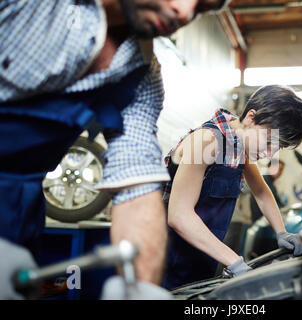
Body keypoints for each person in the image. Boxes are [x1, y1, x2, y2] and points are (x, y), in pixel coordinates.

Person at [0, 0, 230, 298]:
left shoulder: (140, 75)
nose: (185, 12)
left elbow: (136, 187)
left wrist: (139, 288)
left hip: (15, 214)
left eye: (201, 9)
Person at [162, 85, 302, 289]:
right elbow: (179, 216)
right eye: (267, 142)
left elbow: (261, 191)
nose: (268, 154)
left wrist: (281, 232)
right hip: (164, 260)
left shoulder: (239, 146)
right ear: (250, 117)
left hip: (200, 259)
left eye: (276, 147)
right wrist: (235, 262)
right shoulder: (206, 141)